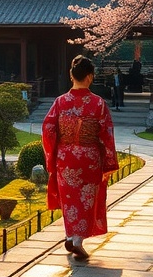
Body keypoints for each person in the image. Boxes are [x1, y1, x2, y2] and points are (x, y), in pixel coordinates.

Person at [42, 55, 119, 261]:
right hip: (89, 158)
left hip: (65, 157)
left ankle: (69, 234)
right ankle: (77, 240)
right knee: (86, 198)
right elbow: (106, 133)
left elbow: (48, 128)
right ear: (90, 77)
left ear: (71, 76)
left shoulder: (60, 102)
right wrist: (109, 159)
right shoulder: (98, 103)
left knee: (69, 199)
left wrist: (53, 154)